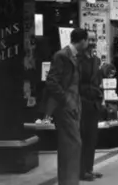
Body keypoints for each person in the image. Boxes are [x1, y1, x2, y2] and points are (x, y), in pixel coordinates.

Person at [45, 28, 89, 185]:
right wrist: (65, 100)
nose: (88, 43)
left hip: (74, 107)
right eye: (87, 40)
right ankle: (68, 181)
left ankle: (70, 180)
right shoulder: (62, 56)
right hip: (66, 108)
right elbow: (52, 81)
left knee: (72, 145)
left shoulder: (76, 56)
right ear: (82, 40)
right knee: (72, 145)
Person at [79, 31, 104, 181]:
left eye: (95, 39)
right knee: (83, 138)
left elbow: (96, 81)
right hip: (83, 102)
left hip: (94, 103)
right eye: (90, 40)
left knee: (92, 138)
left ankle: (89, 168)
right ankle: (81, 170)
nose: (93, 42)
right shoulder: (78, 60)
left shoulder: (95, 60)